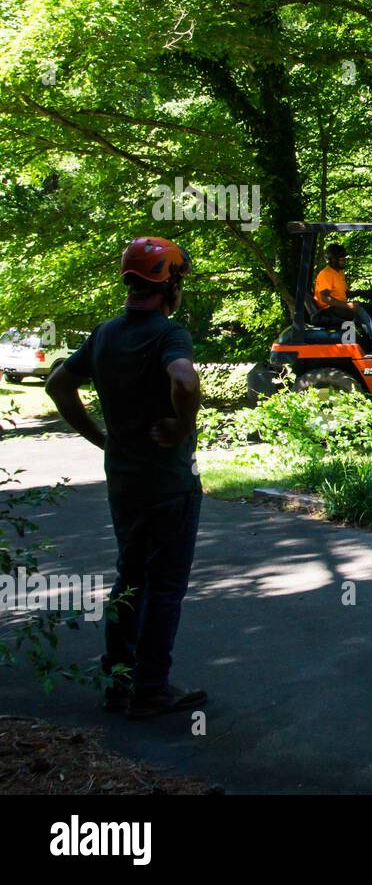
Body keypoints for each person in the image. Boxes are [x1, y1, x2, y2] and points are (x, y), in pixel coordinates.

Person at [45, 238, 208, 719]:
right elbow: (185, 381)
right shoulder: (168, 333)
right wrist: (183, 426)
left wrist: (102, 438)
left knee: (129, 578)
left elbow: (58, 384)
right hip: (168, 484)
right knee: (164, 586)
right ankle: (151, 688)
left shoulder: (104, 334)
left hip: (122, 482)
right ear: (169, 283)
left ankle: (117, 681)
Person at [313, 243, 372, 349]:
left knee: (367, 307)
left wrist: (367, 293)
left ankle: (369, 344)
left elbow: (346, 293)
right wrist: (348, 306)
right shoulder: (326, 274)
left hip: (338, 307)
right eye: (341, 259)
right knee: (358, 309)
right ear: (333, 259)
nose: (344, 261)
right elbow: (326, 298)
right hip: (328, 310)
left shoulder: (339, 273)